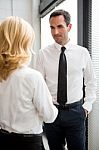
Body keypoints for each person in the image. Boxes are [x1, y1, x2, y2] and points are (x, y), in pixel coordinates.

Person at [36, 9, 96, 150]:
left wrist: (86, 107)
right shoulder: (43, 54)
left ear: (69, 27)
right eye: (52, 27)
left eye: (60, 26)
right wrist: (44, 110)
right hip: (52, 113)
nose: (55, 32)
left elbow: (90, 81)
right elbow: (39, 85)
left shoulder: (82, 53)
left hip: (76, 112)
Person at [0, 16, 58, 150]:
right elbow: (49, 116)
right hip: (27, 144)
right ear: (24, 43)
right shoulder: (33, 77)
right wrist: (50, 101)